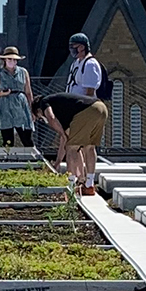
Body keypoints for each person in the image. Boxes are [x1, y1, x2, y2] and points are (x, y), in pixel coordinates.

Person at [60, 31, 109, 191]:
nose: (72, 50)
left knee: (74, 146)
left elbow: (89, 90)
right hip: (77, 109)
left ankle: (78, 181)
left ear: (81, 47)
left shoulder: (90, 64)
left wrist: (78, 109)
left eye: (74, 46)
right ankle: (85, 182)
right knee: (86, 146)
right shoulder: (76, 63)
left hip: (84, 109)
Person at [0, 47, 35, 148]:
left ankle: (33, 160)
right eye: (9, 59)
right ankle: (9, 160)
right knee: (8, 139)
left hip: (21, 106)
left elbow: (28, 91)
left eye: (14, 60)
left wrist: (32, 109)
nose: (12, 61)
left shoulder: (23, 72)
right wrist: (2, 93)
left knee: (26, 137)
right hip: (5, 107)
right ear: (4, 60)